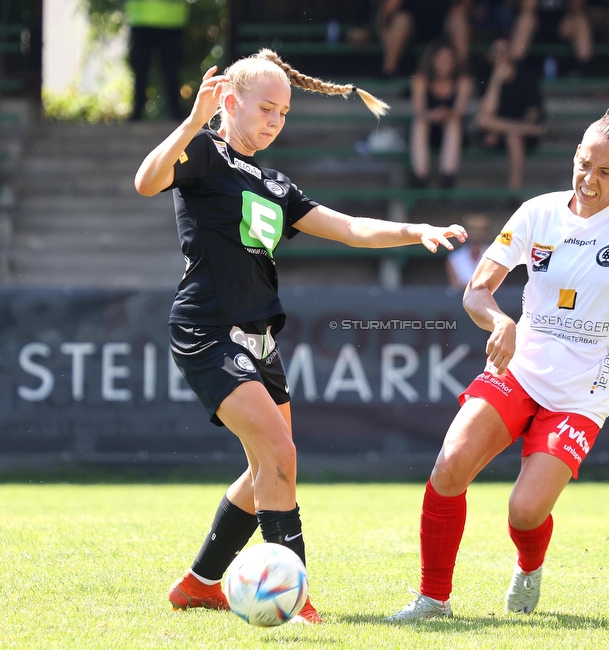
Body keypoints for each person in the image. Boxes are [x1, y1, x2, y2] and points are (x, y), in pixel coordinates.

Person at [133, 49, 466, 623]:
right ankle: (296, 596)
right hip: (207, 329)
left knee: (269, 462)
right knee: (279, 453)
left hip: (260, 337)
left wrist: (417, 230)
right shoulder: (206, 153)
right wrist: (191, 122)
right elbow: (146, 182)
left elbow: (349, 228)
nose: (274, 122)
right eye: (266, 109)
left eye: (283, 113)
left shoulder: (274, 182)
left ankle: (200, 582)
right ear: (228, 102)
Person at [387, 113, 609, 620]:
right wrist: (499, 321)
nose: (589, 180)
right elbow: (477, 291)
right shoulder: (537, 213)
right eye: (583, 164)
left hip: (583, 395)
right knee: (449, 467)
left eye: (606, 172)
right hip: (517, 370)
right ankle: (433, 600)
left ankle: (529, 565)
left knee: (524, 510)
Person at [474, 38, 546, 192]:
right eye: (495, 52)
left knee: (513, 135)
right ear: (489, 56)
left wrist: (510, 128)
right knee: (481, 120)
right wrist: (496, 81)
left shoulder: (526, 77)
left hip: (521, 134)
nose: (500, 56)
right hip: (495, 133)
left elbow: (533, 112)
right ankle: (530, 130)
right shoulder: (486, 77)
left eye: (504, 51)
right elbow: (487, 112)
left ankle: (514, 190)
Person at [409, 41, 474, 189]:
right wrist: (433, 115)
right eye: (441, 59)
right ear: (432, 61)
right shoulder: (421, 79)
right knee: (420, 123)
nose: (445, 63)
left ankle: (448, 174)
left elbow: (460, 110)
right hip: (428, 132)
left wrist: (446, 114)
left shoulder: (463, 80)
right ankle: (420, 175)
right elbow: (418, 110)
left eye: (449, 59)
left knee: (454, 122)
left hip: (454, 134)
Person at [125, 0, 188, 121]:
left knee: (166, 71)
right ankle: (174, 112)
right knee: (166, 70)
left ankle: (139, 112)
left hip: (158, 21)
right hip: (162, 21)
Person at [377, 0, 470, 77]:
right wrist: (383, 31)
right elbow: (388, 10)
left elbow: (466, 6)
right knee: (402, 19)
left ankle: (462, 70)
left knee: (458, 17)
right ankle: (388, 71)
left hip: (443, 26)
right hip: (412, 29)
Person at [531, 0, 594, 75]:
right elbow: (528, 7)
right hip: (538, 23)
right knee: (526, 19)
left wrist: (570, 16)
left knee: (579, 19)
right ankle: (517, 65)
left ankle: (584, 68)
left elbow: (577, 6)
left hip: (565, 22)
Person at [445, 214, 491, 289]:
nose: (475, 238)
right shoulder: (454, 258)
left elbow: (497, 284)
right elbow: (455, 285)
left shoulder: (493, 255)